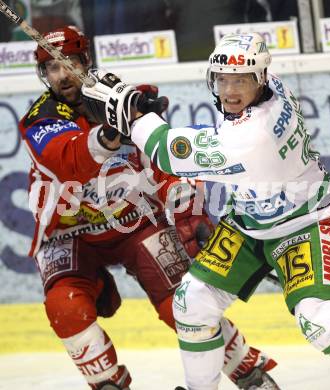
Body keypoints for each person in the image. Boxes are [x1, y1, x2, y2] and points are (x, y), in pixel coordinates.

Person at [82, 32, 330, 390]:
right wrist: (142, 111)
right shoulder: (269, 85)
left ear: (259, 79)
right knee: (191, 300)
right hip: (248, 220)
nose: (228, 91)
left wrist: (133, 115)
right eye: (222, 79)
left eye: (240, 80)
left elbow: (168, 153)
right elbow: (201, 140)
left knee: (322, 322)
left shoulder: (255, 135)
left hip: (306, 225)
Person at [19, 26, 281, 390]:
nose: (62, 75)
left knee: (184, 304)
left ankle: (248, 372)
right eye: (53, 68)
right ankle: (108, 383)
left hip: (134, 223)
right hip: (69, 233)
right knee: (66, 307)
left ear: (86, 62)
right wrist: (111, 134)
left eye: (70, 63)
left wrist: (190, 215)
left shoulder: (124, 100)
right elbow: (66, 161)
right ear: (43, 75)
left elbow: (163, 162)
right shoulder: (39, 118)